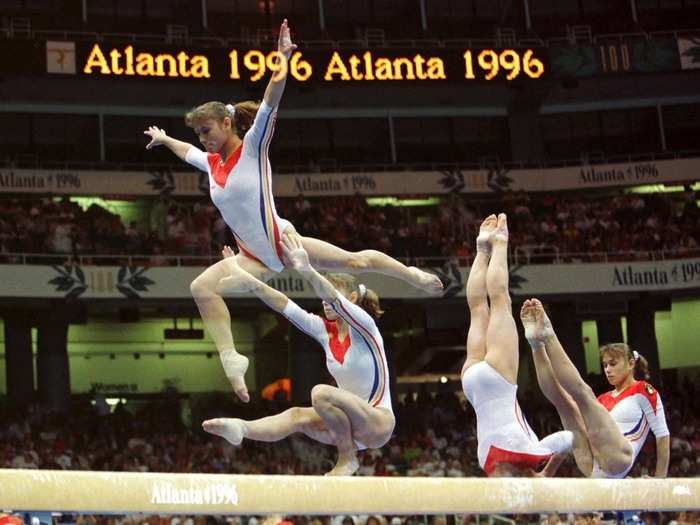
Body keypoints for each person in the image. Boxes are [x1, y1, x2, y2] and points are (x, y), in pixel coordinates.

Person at [143, 20, 441, 403]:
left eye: (207, 130)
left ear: (227, 122)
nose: (203, 139)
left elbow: (270, 101)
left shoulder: (252, 147)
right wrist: (167, 139)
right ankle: (233, 361)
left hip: (281, 241)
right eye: (198, 133)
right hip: (253, 256)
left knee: (352, 263)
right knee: (200, 288)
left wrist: (281, 60)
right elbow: (190, 154)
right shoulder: (213, 164)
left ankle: (411, 275)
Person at [202, 235, 394, 476]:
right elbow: (283, 304)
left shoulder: (365, 326)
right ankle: (243, 428)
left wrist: (307, 269)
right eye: (322, 297)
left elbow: (333, 297)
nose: (323, 301)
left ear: (352, 299)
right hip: (348, 427)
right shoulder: (325, 330)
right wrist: (246, 279)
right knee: (296, 416)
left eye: (330, 294)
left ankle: (346, 458)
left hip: (377, 423)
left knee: (320, 393)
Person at [460, 213, 573, 477]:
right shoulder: (487, 465)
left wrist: (546, 470)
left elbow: (568, 439)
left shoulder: (531, 451)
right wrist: (539, 475)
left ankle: (499, 242)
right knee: (477, 309)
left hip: (498, 381)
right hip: (472, 387)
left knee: (499, 300)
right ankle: (481, 248)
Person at [520, 298, 670, 478]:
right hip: (592, 466)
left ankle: (549, 335)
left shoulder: (643, 391)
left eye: (613, 364)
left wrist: (660, 479)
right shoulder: (603, 400)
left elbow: (662, 436)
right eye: (605, 365)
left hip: (618, 459)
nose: (607, 369)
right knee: (564, 402)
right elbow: (573, 436)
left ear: (631, 364)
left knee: (583, 394)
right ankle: (536, 345)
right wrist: (547, 472)